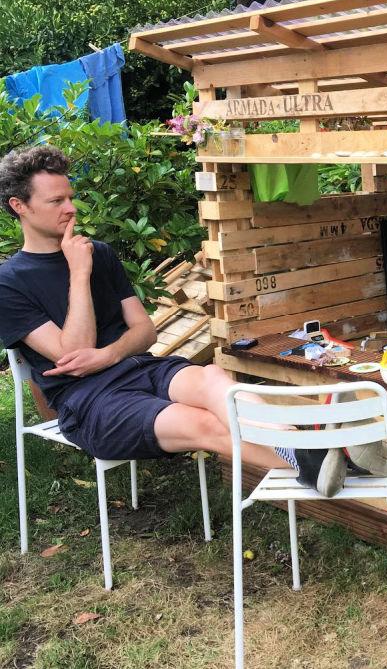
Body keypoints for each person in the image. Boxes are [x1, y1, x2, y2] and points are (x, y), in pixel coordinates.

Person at [0, 145, 349, 497]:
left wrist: (109, 355)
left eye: (70, 198)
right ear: (20, 206)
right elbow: (74, 353)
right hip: (90, 401)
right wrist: (78, 274)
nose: (71, 208)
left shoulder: (100, 253)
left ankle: (318, 458)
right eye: (56, 201)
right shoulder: (10, 282)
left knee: (212, 378)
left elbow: (144, 331)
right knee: (205, 424)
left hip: (139, 367)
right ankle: (327, 459)